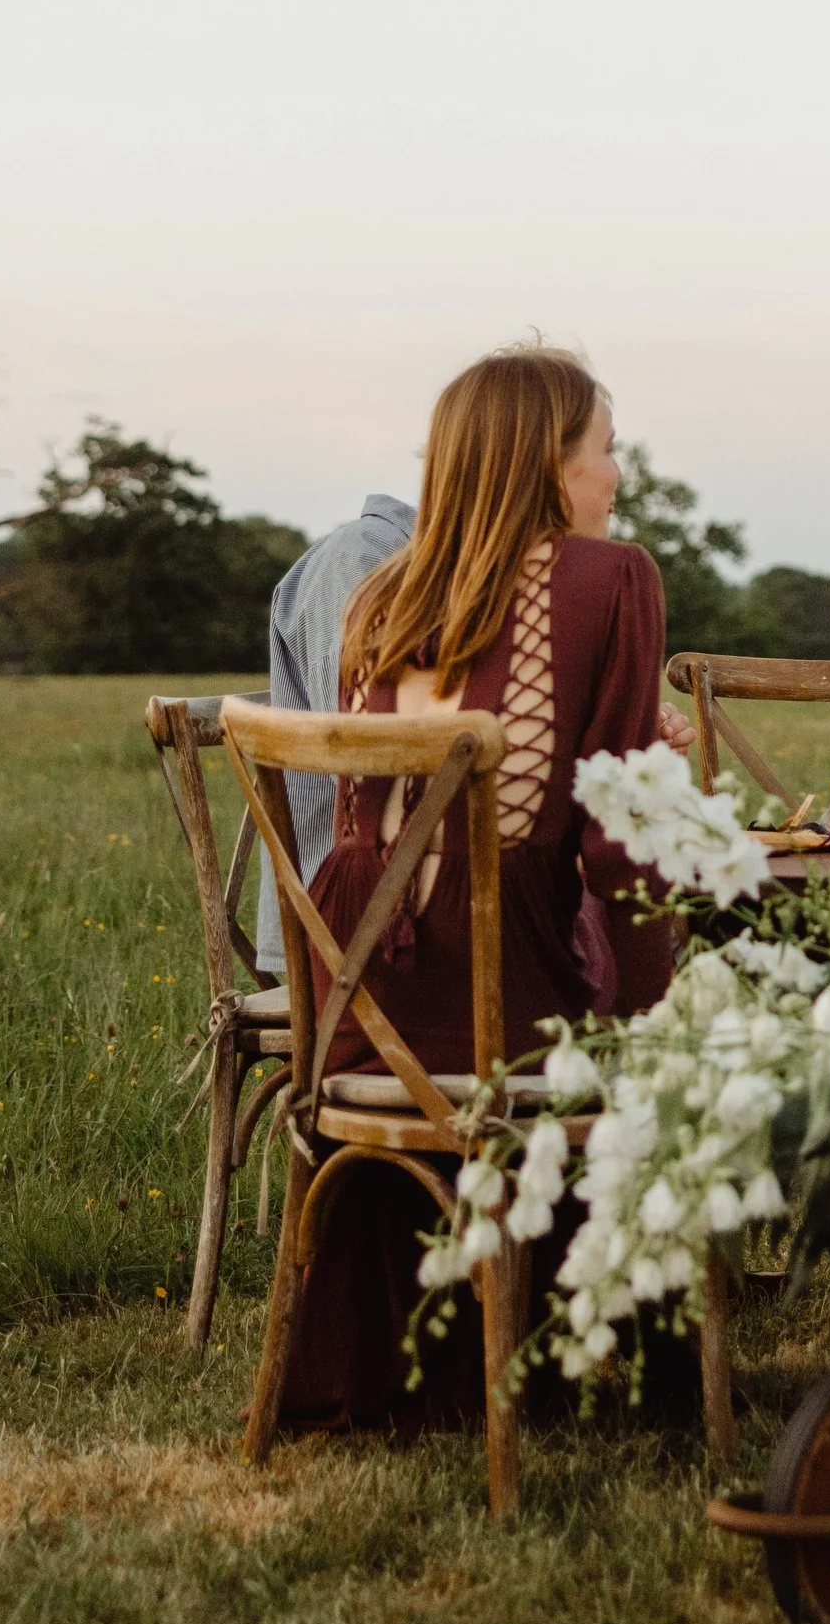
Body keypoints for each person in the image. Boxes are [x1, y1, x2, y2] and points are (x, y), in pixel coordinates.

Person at [275, 344, 678, 1433]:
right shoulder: (613, 580)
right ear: (550, 466)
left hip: (357, 1014)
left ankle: (385, 1364)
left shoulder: (380, 595)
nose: (617, 478)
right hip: (503, 1017)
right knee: (669, 1023)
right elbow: (614, 849)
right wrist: (658, 1007)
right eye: (607, 450)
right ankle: (628, 1360)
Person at [259, 490, 417, 972]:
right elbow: (365, 767)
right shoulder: (366, 554)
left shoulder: (494, 574)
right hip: (356, 927)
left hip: (440, 896)